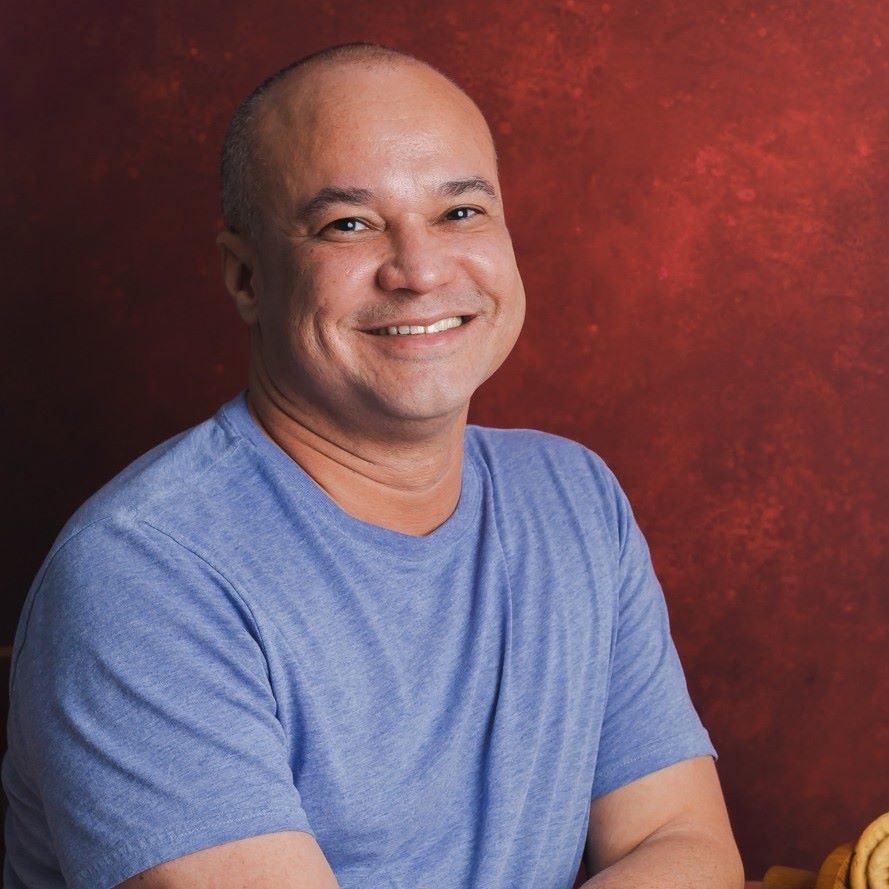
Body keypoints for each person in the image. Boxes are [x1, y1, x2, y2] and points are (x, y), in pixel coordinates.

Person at [2, 43, 745, 889]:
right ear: (246, 277)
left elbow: (681, 845)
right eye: (347, 224)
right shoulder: (143, 573)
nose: (420, 270)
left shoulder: (574, 499)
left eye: (460, 211)